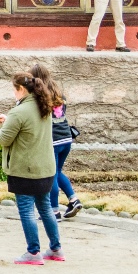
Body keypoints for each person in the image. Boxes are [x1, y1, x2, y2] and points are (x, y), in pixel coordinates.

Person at [0, 70, 63, 265]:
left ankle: (33, 252)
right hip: (45, 168)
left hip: (24, 169)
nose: (13, 93)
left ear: (21, 89)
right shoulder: (44, 106)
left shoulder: (19, 112)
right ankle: (56, 248)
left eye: (14, 89)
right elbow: (28, 129)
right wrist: (9, 121)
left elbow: (4, 139)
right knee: (45, 208)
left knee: (26, 210)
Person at [34, 62, 81, 220]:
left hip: (52, 141)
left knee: (51, 175)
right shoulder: (59, 94)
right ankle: (74, 200)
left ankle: (54, 211)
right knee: (58, 171)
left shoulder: (40, 97)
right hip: (66, 139)